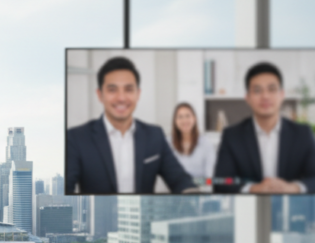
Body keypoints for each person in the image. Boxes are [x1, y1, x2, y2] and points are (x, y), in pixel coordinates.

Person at [66, 56, 195, 195]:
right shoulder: (76, 138)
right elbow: (64, 188)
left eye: (128, 89)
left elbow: (180, 180)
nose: (121, 98)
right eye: (112, 90)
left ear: (138, 94)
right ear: (100, 95)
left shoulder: (154, 135)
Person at [213, 62, 315, 194]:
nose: (265, 96)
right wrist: (254, 188)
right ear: (247, 97)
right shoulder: (232, 136)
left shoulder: (303, 133)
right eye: (257, 90)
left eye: (272, 89)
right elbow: (220, 181)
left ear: (282, 94)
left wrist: (293, 188)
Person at [168, 102, 215, 180]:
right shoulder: (168, 143)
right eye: (180, 117)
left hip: (199, 189)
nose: (184, 120)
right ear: (175, 121)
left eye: (187, 116)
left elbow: (209, 176)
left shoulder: (206, 143)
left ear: (194, 118)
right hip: (175, 189)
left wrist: (192, 185)